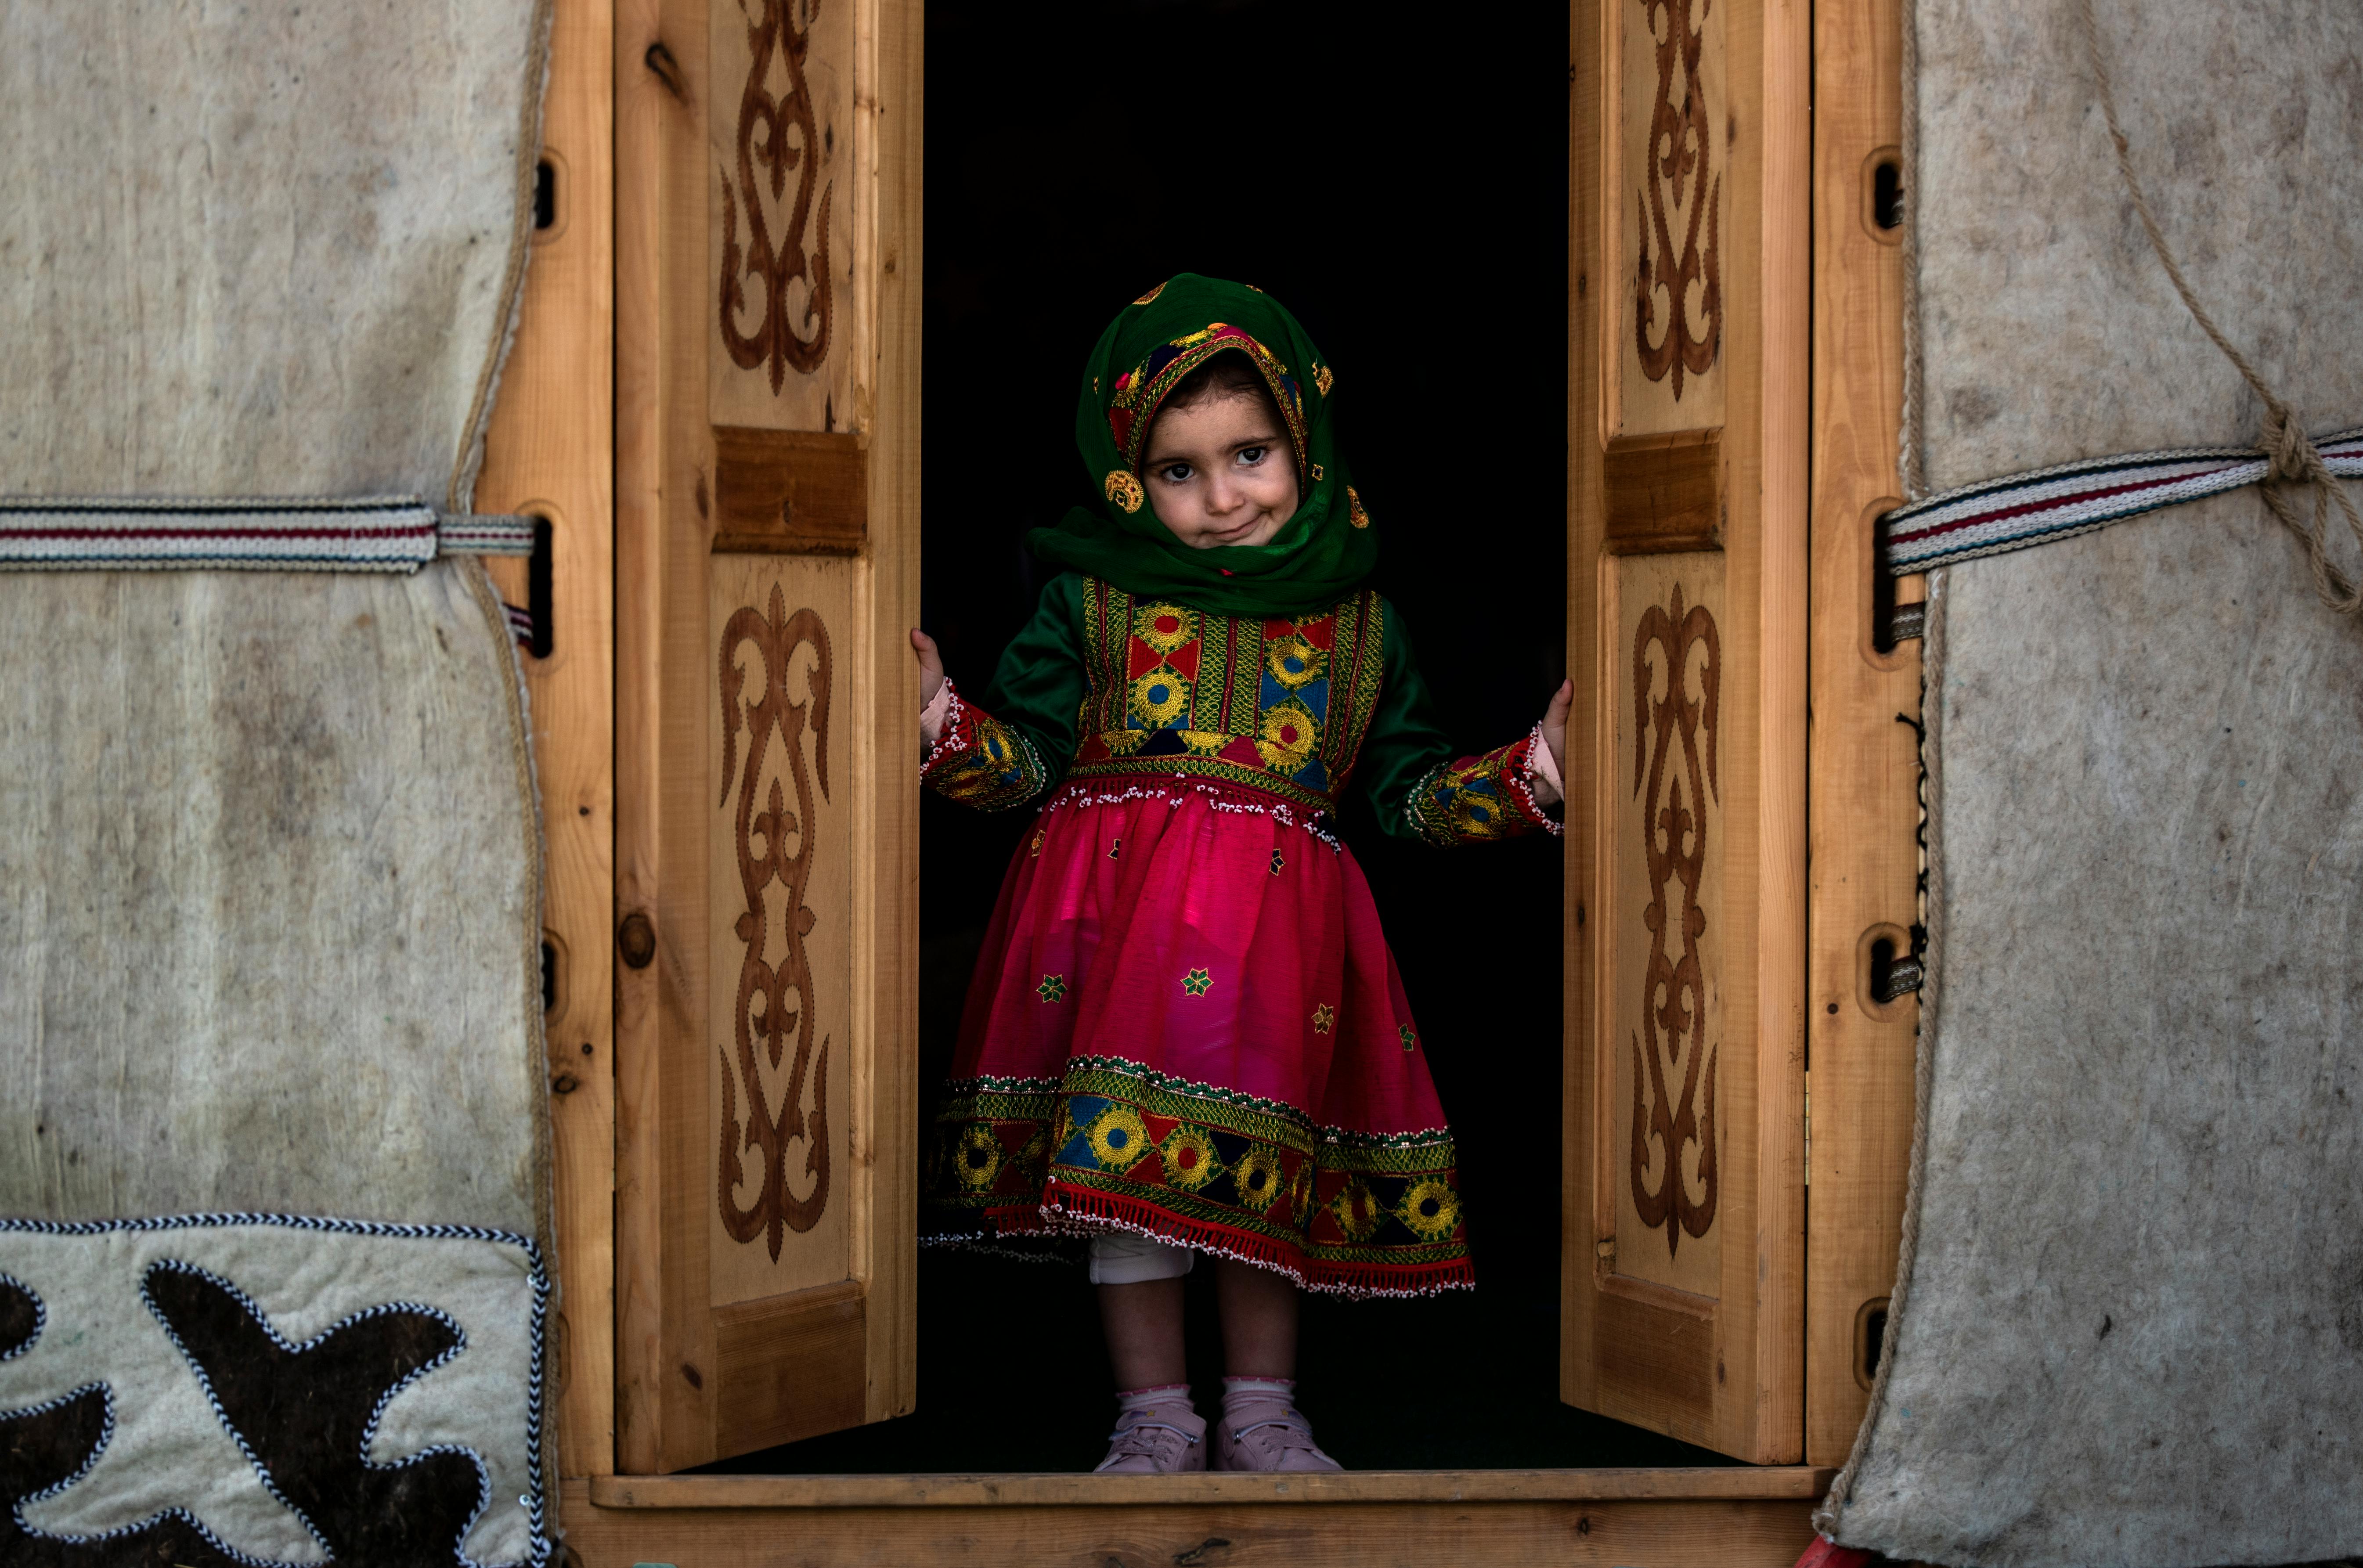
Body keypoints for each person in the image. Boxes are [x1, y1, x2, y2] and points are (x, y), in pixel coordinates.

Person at [912, 274, 1569, 1474]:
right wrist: (939, 722)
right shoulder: (1089, 598)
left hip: (1279, 948)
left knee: (1259, 1173)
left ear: (1305, 441)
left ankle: (1264, 1410)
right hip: (1110, 934)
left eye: (1252, 453)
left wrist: (1535, 770)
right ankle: (1155, 1413)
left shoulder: (1361, 626)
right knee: (1127, 1176)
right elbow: (1021, 768)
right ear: (1125, 476)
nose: (1222, 498)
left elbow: (1407, 797)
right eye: (1178, 470)